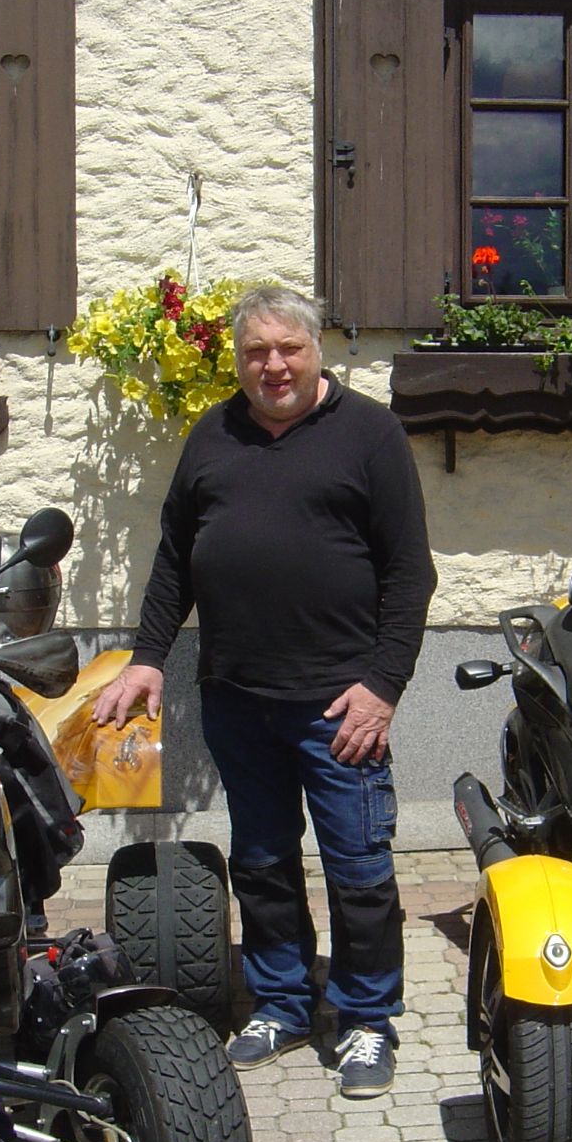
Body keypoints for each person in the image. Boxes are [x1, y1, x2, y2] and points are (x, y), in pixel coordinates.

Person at [92, 285, 436, 1099]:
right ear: (238, 359)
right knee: (262, 858)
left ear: (318, 350)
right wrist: (147, 656)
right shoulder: (212, 434)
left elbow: (409, 573)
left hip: (339, 707)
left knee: (359, 868)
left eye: (289, 348)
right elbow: (175, 556)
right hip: (238, 697)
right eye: (256, 351)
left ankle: (366, 1019)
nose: (273, 365)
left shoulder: (370, 433)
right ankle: (282, 1002)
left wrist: (382, 685)